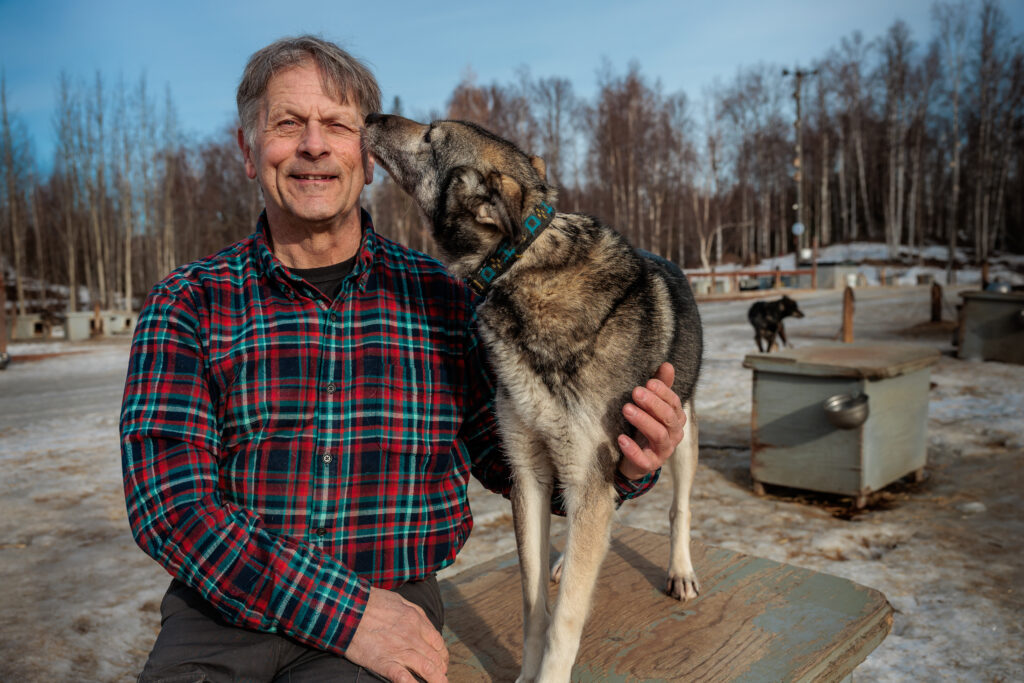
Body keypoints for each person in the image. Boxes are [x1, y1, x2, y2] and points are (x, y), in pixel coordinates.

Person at [121, 35, 688, 683]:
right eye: (287, 124)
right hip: (220, 617)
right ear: (249, 151)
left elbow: (516, 460)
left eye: (336, 124)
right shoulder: (187, 302)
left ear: (368, 157)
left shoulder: (447, 301)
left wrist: (628, 456)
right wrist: (346, 613)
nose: (313, 144)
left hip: (394, 611)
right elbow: (173, 506)